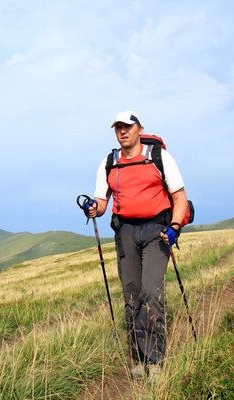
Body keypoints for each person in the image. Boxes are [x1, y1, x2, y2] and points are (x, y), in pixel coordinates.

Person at [87, 110, 188, 381]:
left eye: (127, 127)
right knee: (131, 294)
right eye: (118, 127)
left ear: (139, 129)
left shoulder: (158, 157)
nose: (122, 131)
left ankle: (156, 360)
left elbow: (179, 197)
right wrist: (93, 209)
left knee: (151, 291)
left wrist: (175, 227)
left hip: (158, 230)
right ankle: (139, 358)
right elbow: (102, 203)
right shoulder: (109, 162)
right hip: (126, 232)